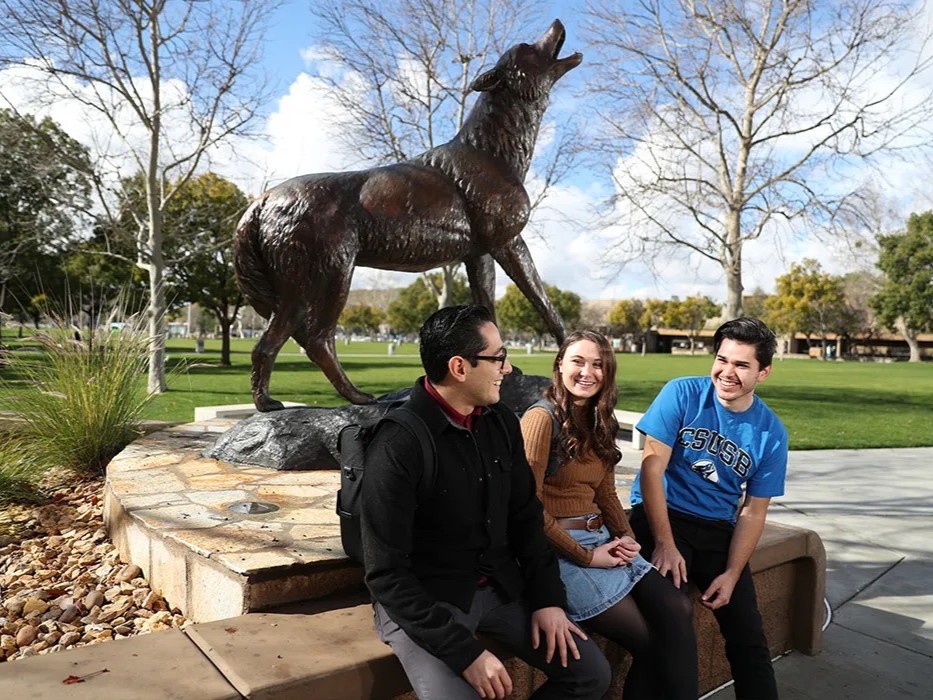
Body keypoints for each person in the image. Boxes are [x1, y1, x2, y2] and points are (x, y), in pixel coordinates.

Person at [360, 305, 611, 700]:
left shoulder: (500, 423)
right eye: (498, 358)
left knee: (590, 674)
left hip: (498, 588)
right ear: (459, 367)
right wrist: (465, 653)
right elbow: (386, 574)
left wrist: (548, 600)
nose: (507, 369)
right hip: (426, 601)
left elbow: (526, 518)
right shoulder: (397, 443)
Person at [521, 330, 698, 700]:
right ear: (559, 365)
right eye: (578, 362)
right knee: (650, 643)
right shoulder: (540, 419)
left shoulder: (600, 418)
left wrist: (627, 536)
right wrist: (587, 556)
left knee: (678, 608)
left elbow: (604, 493)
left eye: (598, 364)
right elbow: (526, 507)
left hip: (604, 540)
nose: (589, 372)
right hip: (559, 552)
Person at [629, 317, 787, 700]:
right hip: (661, 516)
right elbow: (652, 469)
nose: (726, 372)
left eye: (741, 365)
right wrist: (665, 544)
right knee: (666, 623)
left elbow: (752, 511)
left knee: (749, 636)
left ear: (763, 372)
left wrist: (732, 573)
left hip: (718, 529)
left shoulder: (770, 432)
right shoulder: (681, 394)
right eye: (722, 359)